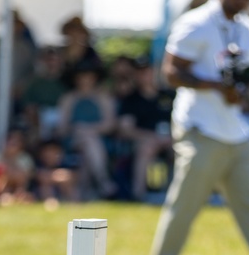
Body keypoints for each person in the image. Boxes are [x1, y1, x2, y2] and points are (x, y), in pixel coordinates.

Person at [138, 0, 249, 255]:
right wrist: (215, 86)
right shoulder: (196, 23)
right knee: (185, 204)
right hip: (199, 126)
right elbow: (169, 72)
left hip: (234, 129)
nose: (241, 0)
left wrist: (239, 92)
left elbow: (244, 77)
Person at [55, 58, 119, 199]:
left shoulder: (103, 98)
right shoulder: (68, 99)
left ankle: (84, 192)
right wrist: (77, 129)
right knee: (87, 141)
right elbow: (62, 127)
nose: (85, 80)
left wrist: (90, 129)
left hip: (100, 140)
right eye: (81, 76)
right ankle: (103, 181)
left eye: (88, 76)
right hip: (73, 139)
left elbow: (110, 124)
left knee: (88, 146)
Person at [117, 56, 175, 201]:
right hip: (143, 141)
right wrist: (150, 136)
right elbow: (125, 129)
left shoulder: (169, 95)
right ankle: (139, 194)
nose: (145, 76)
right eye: (141, 72)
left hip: (171, 138)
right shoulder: (131, 99)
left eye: (148, 72)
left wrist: (171, 137)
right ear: (135, 76)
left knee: (181, 150)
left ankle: (176, 195)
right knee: (146, 148)